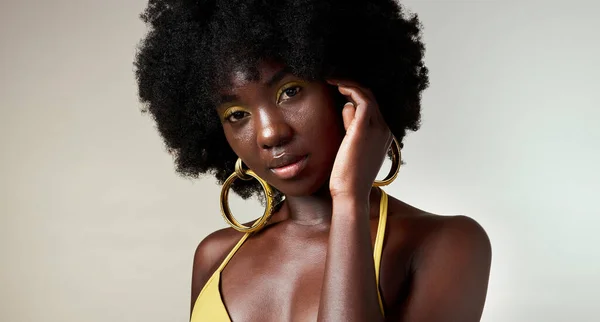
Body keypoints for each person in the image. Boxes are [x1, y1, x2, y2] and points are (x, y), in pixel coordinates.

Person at [134, 0, 492, 320]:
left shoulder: (446, 244)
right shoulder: (214, 256)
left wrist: (349, 200)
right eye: (237, 114)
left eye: (289, 92)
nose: (269, 134)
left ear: (350, 91)